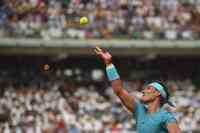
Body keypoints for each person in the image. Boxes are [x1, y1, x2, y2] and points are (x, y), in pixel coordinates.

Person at [94, 46, 181, 133]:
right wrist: (109, 64)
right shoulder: (139, 111)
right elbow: (119, 91)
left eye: (148, 88)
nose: (143, 91)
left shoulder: (166, 117)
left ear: (157, 93)